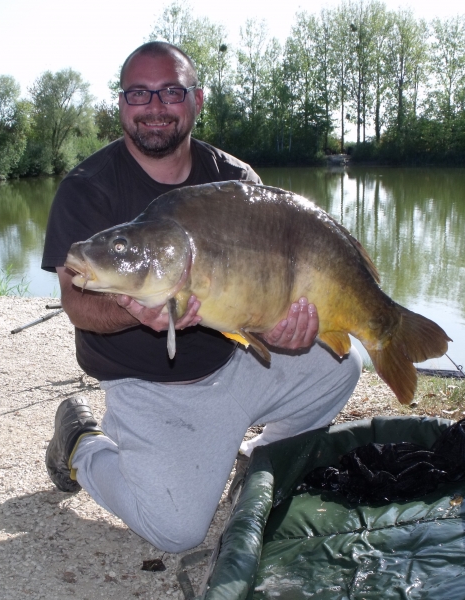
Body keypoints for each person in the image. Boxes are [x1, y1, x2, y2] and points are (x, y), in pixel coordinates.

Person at [40, 41, 361, 553]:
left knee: (339, 367)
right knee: (177, 532)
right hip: (149, 387)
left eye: (171, 90)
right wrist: (134, 314)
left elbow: (270, 288)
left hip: (233, 364)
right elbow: (76, 302)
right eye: (138, 93)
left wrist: (280, 326)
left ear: (197, 100)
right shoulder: (86, 189)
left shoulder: (235, 180)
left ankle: (259, 457)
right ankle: (81, 442)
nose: (155, 106)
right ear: (121, 104)